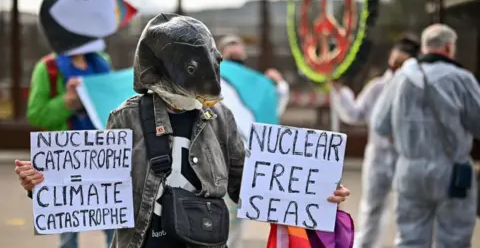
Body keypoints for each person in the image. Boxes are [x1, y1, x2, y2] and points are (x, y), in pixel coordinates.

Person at [17, 14, 351, 248]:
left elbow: (246, 185)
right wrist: (43, 184)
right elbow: (94, 184)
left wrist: (315, 193)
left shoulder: (221, 119)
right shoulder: (127, 117)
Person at [16, 0, 136, 248]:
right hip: (65, 159)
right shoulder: (47, 68)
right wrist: (66, 102)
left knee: (113, 226)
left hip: (104, 156)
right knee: (68, 231)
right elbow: (37, 115)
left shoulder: (102, 62)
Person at [372, 24, 479, 248]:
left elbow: (379, 124)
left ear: (424, 47)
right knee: (454, 239)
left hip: (409, 171)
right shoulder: (462, 79)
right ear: (449, 47)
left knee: (410, 240)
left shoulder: (401, 78)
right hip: (452, 173)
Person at [329, 34, 420, 248]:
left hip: (406, 158)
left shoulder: (418, 89)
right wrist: (338, 90)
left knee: (407, 211)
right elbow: (354, 113)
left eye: (401, 63)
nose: (395, 68)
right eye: (393, 63)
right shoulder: (379, 86)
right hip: (378, 157)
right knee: (371, 210)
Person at [217, 34, 290, 247]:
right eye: (229, 50)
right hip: (216, 160)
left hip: (245, 162)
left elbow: (274, 111)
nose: (235, 52)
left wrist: (277, 85)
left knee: (235, 221)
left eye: (238, 49)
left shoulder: (256, 88)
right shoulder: (208, 83)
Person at [218, 35, 290, 116]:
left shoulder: (254, 83)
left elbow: (272, 108)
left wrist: (278, 82)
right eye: (230, 47)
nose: (234, 49)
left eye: (237, 47)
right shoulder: (215, 79)